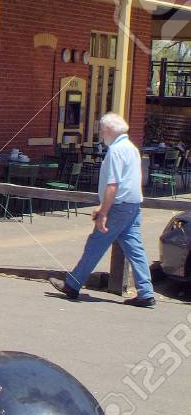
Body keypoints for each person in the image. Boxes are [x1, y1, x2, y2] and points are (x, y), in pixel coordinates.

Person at [49, 112, 155, 307]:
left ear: (107, 130)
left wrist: (103, 211)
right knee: (135, 248)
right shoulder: (131, 148)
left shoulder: (115, 151)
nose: (100, 134)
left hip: (118, 206)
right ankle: (146, 291)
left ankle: (73, 284)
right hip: (133, 205)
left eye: (101, 130)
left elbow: (112, 185)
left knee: (96, 244)